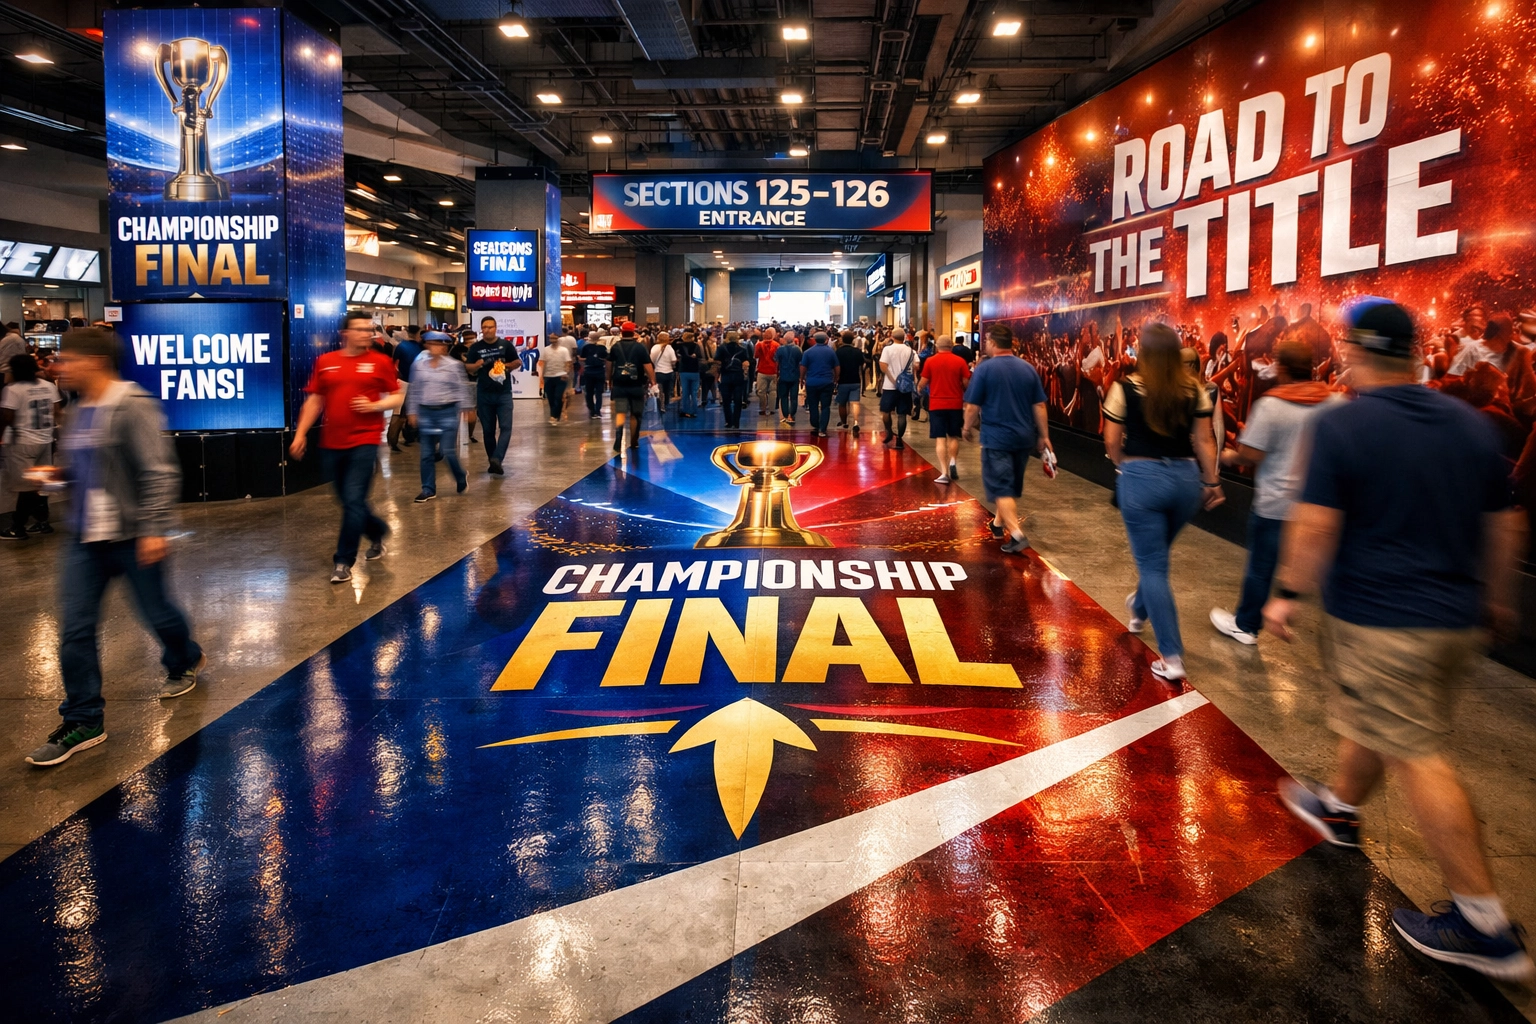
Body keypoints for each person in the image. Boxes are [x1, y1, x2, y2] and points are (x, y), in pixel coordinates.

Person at [1261, 299, 1534, 981]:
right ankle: (1341, 808)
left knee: (1417, 750)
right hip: (1455, 620)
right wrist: (1498, 597)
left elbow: (1317, 523)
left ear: (1351, 352)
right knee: (1384, 718)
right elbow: (1505, 524)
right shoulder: (1471, 427)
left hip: (1384, 620)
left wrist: (1288, 592)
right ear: (1414, 353)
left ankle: (1484, 925)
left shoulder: (1346, 426)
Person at [25, 328, 205, 768]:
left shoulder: (132, 405)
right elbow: (78, 468)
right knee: (75, 629)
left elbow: (158, 471)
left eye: (67, 359)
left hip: (131, 536)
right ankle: (84, 718)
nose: (57, 367)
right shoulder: (77, 408)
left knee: (157, 613)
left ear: (95, 361)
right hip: (84, 539)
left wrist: (153, 528)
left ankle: (184, 656)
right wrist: (56, 475)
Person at [1102, 322, 1224, 681]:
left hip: (1142, 481)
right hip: (1187, 482)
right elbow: (1204, 439)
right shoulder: (1195, 390)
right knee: (1157, 555)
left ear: (1143, 351)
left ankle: (1172, 658)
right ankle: (1139, 609)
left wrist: (1124, 463)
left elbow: (1111, 440)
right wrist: (1212, 480)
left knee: (1154, 566)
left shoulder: (1124, 387)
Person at [1210, 339, 1338, 644]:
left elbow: (1251, 454)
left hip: (1275, 503)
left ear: (1280, 367)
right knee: (1324, 572)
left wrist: (1227, 456)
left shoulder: (1271, 404)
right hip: (1320, 505)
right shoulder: (1335, 402)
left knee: (1261, 567)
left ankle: (1247, 625)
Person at [290, 312, 402, 583]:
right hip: (332, 443)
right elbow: (315, 400)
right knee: (347, 501)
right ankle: (377, 531)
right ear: (345, 334)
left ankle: (343, 561)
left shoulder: (380, 362)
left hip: (365, 441)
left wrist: (375, 406)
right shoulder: (326, 362)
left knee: (353, 500)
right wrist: (300, 433)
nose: (368, 334)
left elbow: (398, 395)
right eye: (361, 329)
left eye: (369, 329)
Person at [962, 324, 1051, 555]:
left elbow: (973, 405)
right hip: (1023, 439)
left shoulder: (985, 369)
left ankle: (1018, 534)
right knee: (1009, 485)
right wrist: (1044, 436)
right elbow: (1039, 405)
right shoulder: (1027, 368)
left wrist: (966, 427)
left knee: (1002, 488)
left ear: (992, 343)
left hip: (997, 439)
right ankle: (998, 524)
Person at [1, 354, 62, 539]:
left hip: (22, 442)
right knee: (42, 483)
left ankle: (17, 526)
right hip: (45, 440)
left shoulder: (13, 389)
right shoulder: (48, 386)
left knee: (26, 487)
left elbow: (7, 417)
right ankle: (42, 521)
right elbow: (56, 411)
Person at [407, 331, 471, 502]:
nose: (435, 347)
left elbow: (461, 388)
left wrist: (466, 408)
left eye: (439, 344)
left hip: (447, 411)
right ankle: (428, 488)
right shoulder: (419, 365)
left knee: (447, 450)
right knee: (426, 453)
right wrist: (412, 411)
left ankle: (460, 476)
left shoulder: (454, 366)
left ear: (445, 347)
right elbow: (414, 389)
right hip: (426, 412)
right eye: (431, 344)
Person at [465, 317, 514, 475]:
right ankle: (493, 460)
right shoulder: (475, 348)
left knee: (506, 427)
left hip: (503, 393)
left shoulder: (505, 345)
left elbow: (517, 362)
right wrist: (477, 365)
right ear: (481, 329)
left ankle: (497, 459)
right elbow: (469, 369)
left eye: (490, 327)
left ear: (495, 328)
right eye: (484, 327)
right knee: (488, 430)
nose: (487, 330)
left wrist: (505, 366)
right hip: (484, 393)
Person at [921, 335, 971, 484]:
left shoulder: (931, 361)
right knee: (954, 436)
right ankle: (953, 461)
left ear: (937, 346)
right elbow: (966, 381)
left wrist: (919, 387)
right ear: (951, 346)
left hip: (936, 404)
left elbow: (924, 381)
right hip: (955, 403)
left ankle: (944, 472)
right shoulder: (960, 361)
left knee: (940, 438)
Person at [607, 322, 655, 452]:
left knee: (621, 413)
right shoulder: (640, 347)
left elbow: (609, 364)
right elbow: (647, 365)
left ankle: (618, 439)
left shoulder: (615, 347)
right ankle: (634, 440)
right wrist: (653, 382)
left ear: (622, 332)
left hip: (619, 384)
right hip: (636, 385)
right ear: (633, 332)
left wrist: (608, 380)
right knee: (635, 414)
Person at [879, 329, 917, 449]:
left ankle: (889, 430)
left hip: (889, 386)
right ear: (904, 337)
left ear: (891, 336)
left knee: (886, 411)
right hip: (905, 387)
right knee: (902, 414)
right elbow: (917, 365)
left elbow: (883, 365)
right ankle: (900, 439)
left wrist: (893, 379)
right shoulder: (911, 351)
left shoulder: (887, 349)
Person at [387, 325, 421, 452]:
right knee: (412, 411)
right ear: (418, 333)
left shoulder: (401, 346)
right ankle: (410, 436)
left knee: (398, 412)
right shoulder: (421, 347)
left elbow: (393, 362)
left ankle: (392, 440)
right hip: (417, 383)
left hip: (402, 382)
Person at [801, 331, 840, 438]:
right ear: (826, 340)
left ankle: (815, 424)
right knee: (825, 406)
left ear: (814, 339)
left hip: (812, 382)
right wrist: (836, 378)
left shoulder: (808, 352)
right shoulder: (831, 352)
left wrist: (801, 379)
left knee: (813, 405)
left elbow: (803, 367)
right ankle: (822, 428)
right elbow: (836, 367)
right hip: (827, 382)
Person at [716, 330, 752, 429]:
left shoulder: (721, 348)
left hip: (726, 376)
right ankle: (736, 422)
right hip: (738, 376)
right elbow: (746, 363)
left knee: (726, 401)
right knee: (738, 401)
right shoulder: (742, 349)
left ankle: (728, 421)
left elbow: (717, 361)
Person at [539, 334, 574, 426]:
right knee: (550, 398)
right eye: (551, 338)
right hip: (548, 376)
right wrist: (541, 376)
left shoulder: (564, 350)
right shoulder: (546, 350)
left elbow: (568, 363)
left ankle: (553, 416)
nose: (553, 340)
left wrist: (566, 373)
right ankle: (555, 415)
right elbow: (542, 363)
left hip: (561, 376)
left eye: (554, 338)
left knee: (558, 397)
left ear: (558, 339)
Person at [835, 330, 865, 434]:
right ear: (852, 340)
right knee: (855, 403)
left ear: (842, 340)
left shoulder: (838, 352)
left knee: (842, 403)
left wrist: (835, 378)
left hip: (843, 381)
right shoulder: (857, 351)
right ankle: (856, 423)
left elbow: (836, 366)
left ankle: (844, 423)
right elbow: (862, 365)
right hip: (855, 380)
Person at [580, 333, 609, 418]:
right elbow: (606, 359)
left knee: (589, 392)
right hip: (600, 371)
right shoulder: (602, 348)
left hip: (589, 371)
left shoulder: (586, 347)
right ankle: (597, 411)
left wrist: (588, 359)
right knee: (599, 393)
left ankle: (592, 410)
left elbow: (582, 358)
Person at [675, 330, 703, 419]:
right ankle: (694, 411)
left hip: (684, 371)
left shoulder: (680, 346)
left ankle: (685, 410)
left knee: (685, 392)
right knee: (694, 393)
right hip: (695, 371)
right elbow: (700, 356)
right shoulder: (696, 346)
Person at [775, 333, 802, 424]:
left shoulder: (780, 349)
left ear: (785, 339)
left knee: (784, 397)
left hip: (783, 375)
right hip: (794, 376)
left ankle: (785, 415)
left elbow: (776, 360)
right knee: (794, 397)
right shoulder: (798, 349)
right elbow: (801, 362)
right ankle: (792, 415)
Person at [650, 332, 677, 414]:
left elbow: (651, 359)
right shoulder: (669, 348)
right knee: (667, 390)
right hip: (669, 372)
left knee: (660, 390)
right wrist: (672, 365)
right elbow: (673, 360)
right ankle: (666, 404)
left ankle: (661, 406)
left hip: (658, 372)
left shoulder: (654, 347)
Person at [755, 329, 780, 417]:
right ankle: (772, 409)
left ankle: (763, 409)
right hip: (773, 371)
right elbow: (778, 358)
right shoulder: (777, 345)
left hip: (762, 371)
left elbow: (756, 356)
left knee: (761, 391)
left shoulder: (759, 344)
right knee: (773, 391)